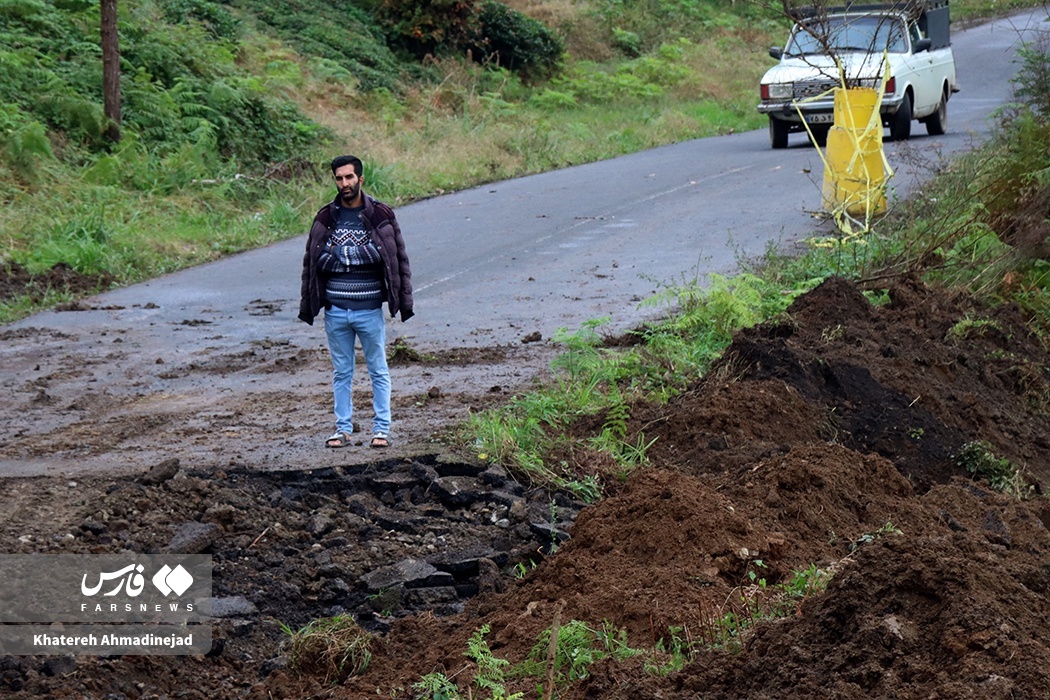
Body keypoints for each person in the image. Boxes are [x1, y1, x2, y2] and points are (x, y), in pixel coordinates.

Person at [298, 154, 413, 449]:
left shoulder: (381, 215)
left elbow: (388, 256)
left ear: (360, 179)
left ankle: (381, 430)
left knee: (378, 370)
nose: (344, 183)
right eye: (339, 178)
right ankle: (342, 429)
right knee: (341, 373)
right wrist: (356, 255)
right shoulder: (326, 217)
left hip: (369, 310)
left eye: (349, 177)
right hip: (336, 311)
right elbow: (316, 259)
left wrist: (341, 254)